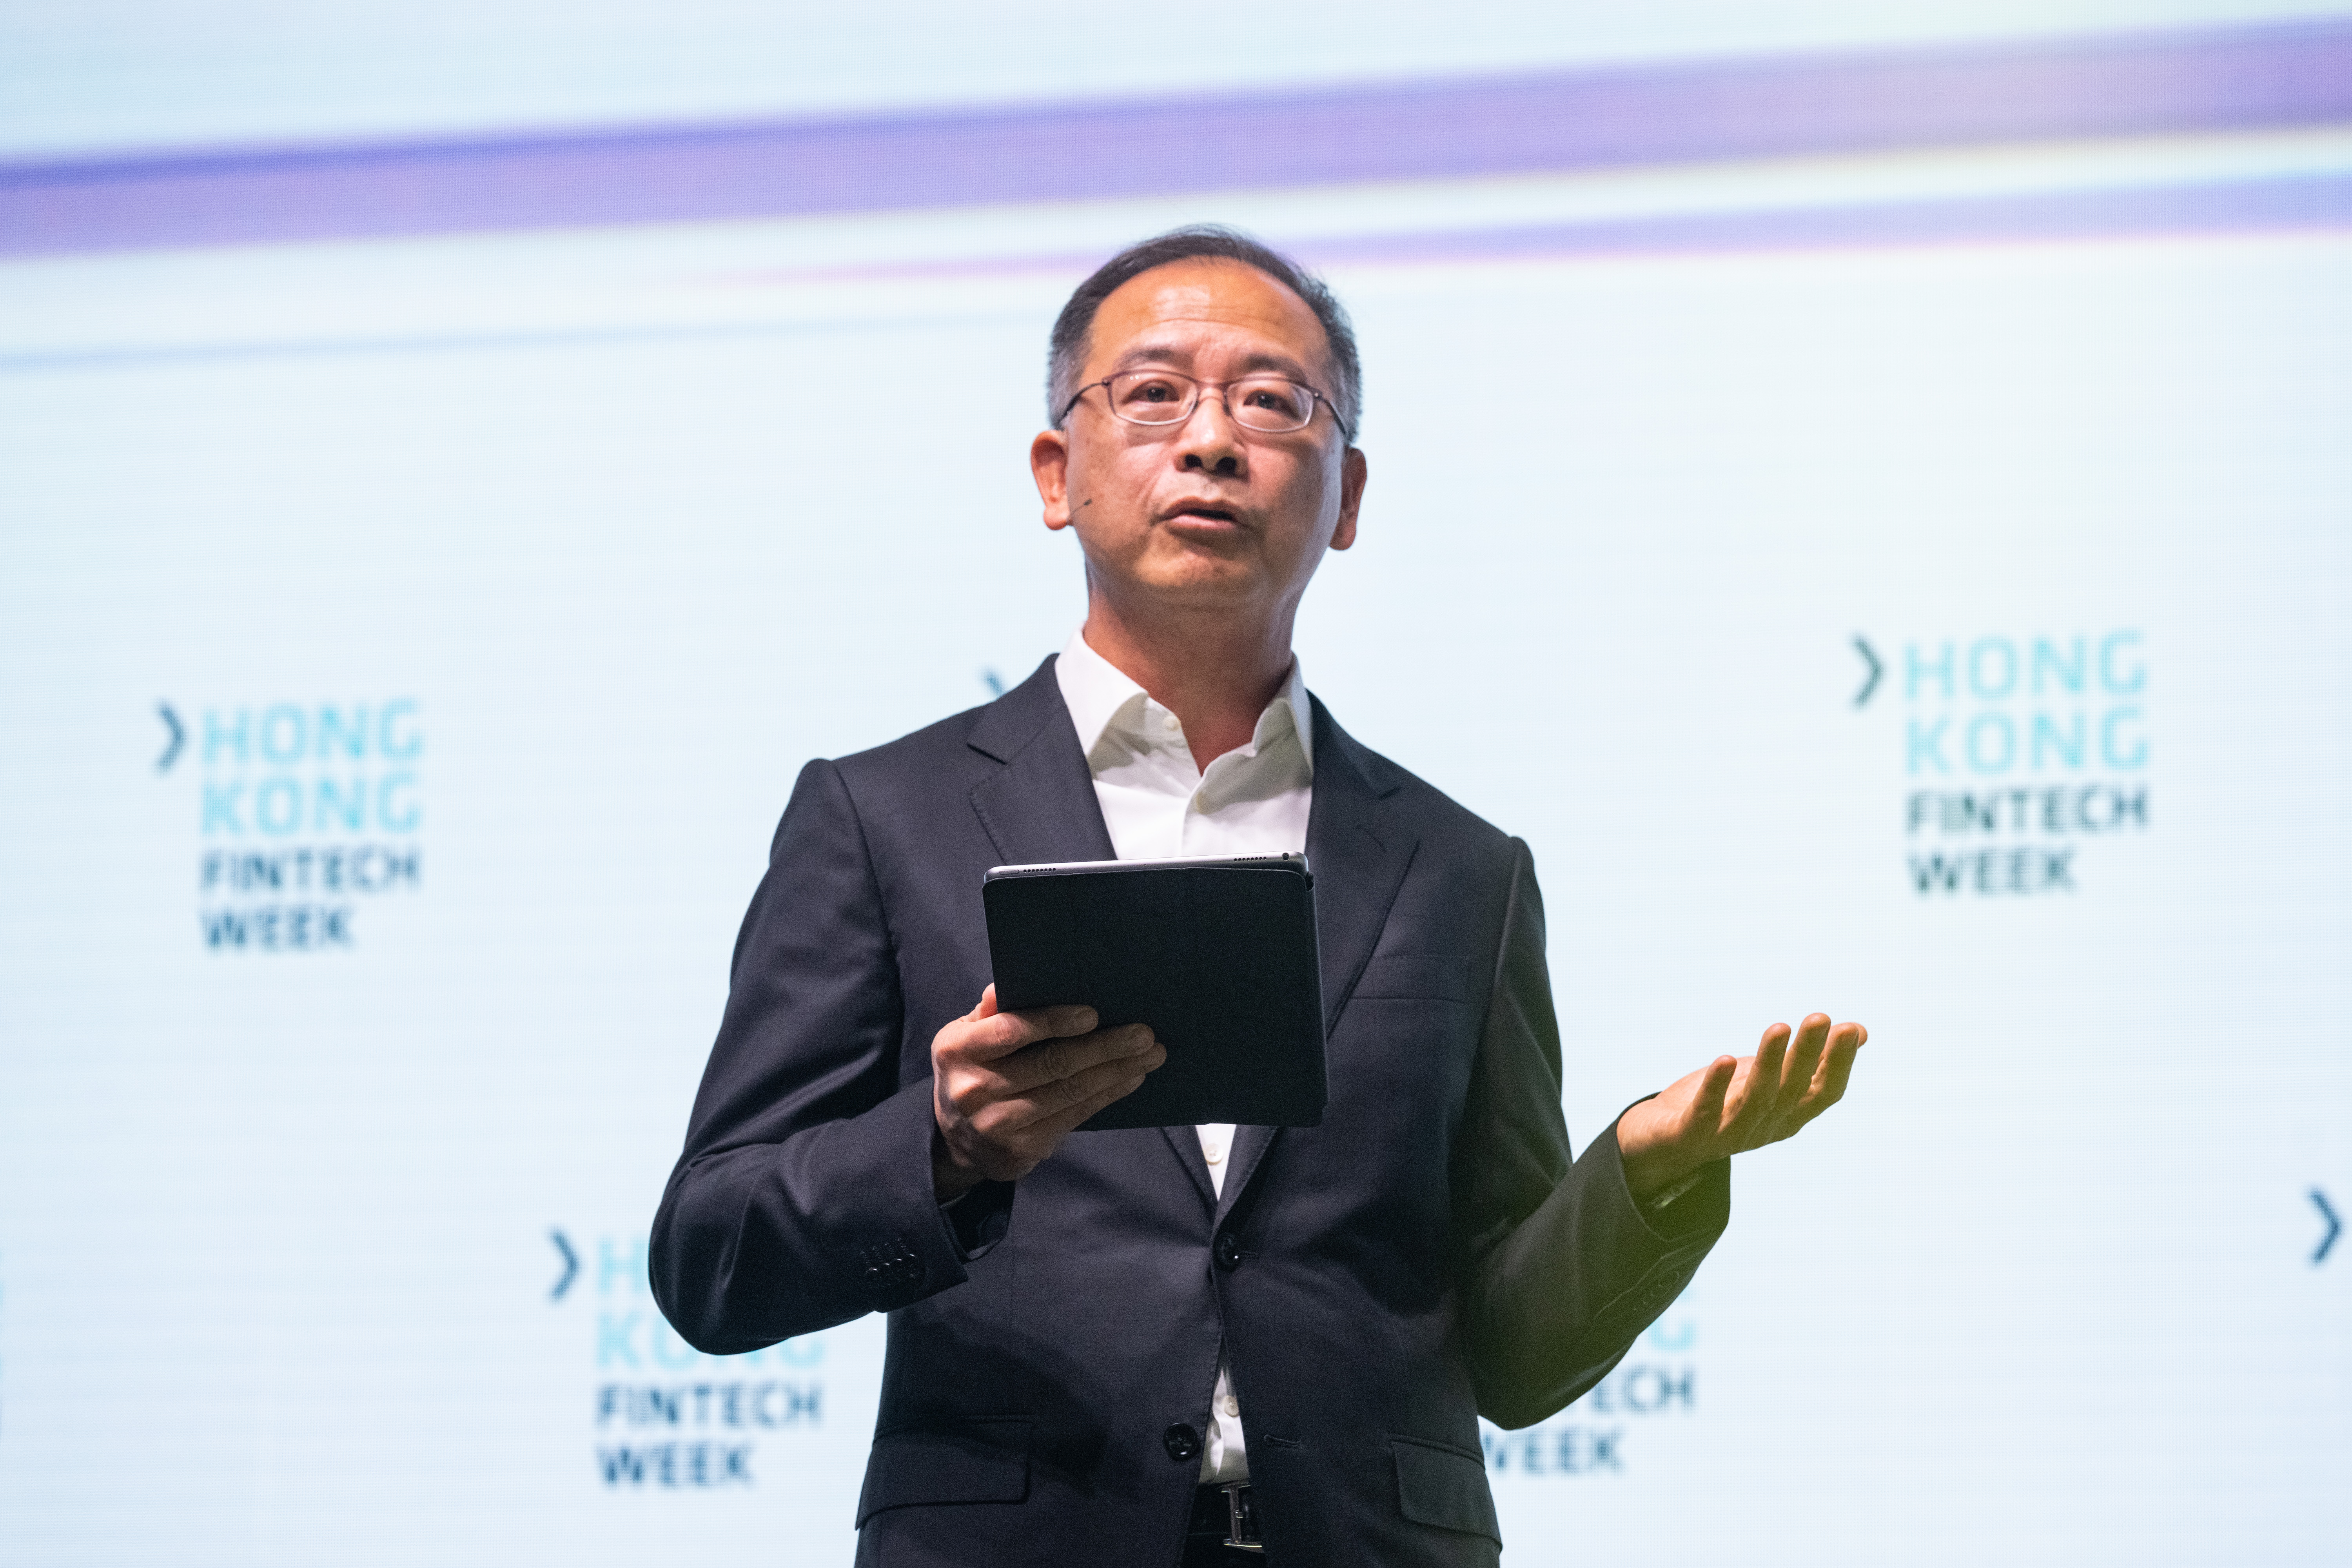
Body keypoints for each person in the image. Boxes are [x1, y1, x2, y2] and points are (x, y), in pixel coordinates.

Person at [650, 226, 1865, 1567]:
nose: (1213, 441)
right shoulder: (883, 818)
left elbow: (1512, 1359)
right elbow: (712, 1256)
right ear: (1057, 474)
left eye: (1274, 401)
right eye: (1155, 392)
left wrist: (1645, 1174)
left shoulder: (1465, 870)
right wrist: (940, 1149)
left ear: (1345, 498)